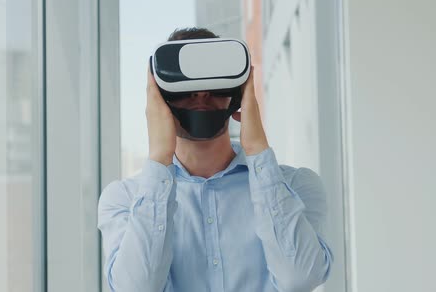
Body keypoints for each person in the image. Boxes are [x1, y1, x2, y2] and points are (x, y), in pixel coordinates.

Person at [97, 28, 333, 292]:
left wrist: (257, 149)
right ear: (159, 94)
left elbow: (300, 278)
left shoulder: (297, 186)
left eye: (212, 82)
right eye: (186, 87)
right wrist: (159, 156)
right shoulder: (124, 199)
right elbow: (137, 288)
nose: (200, 94)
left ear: (236, 87)